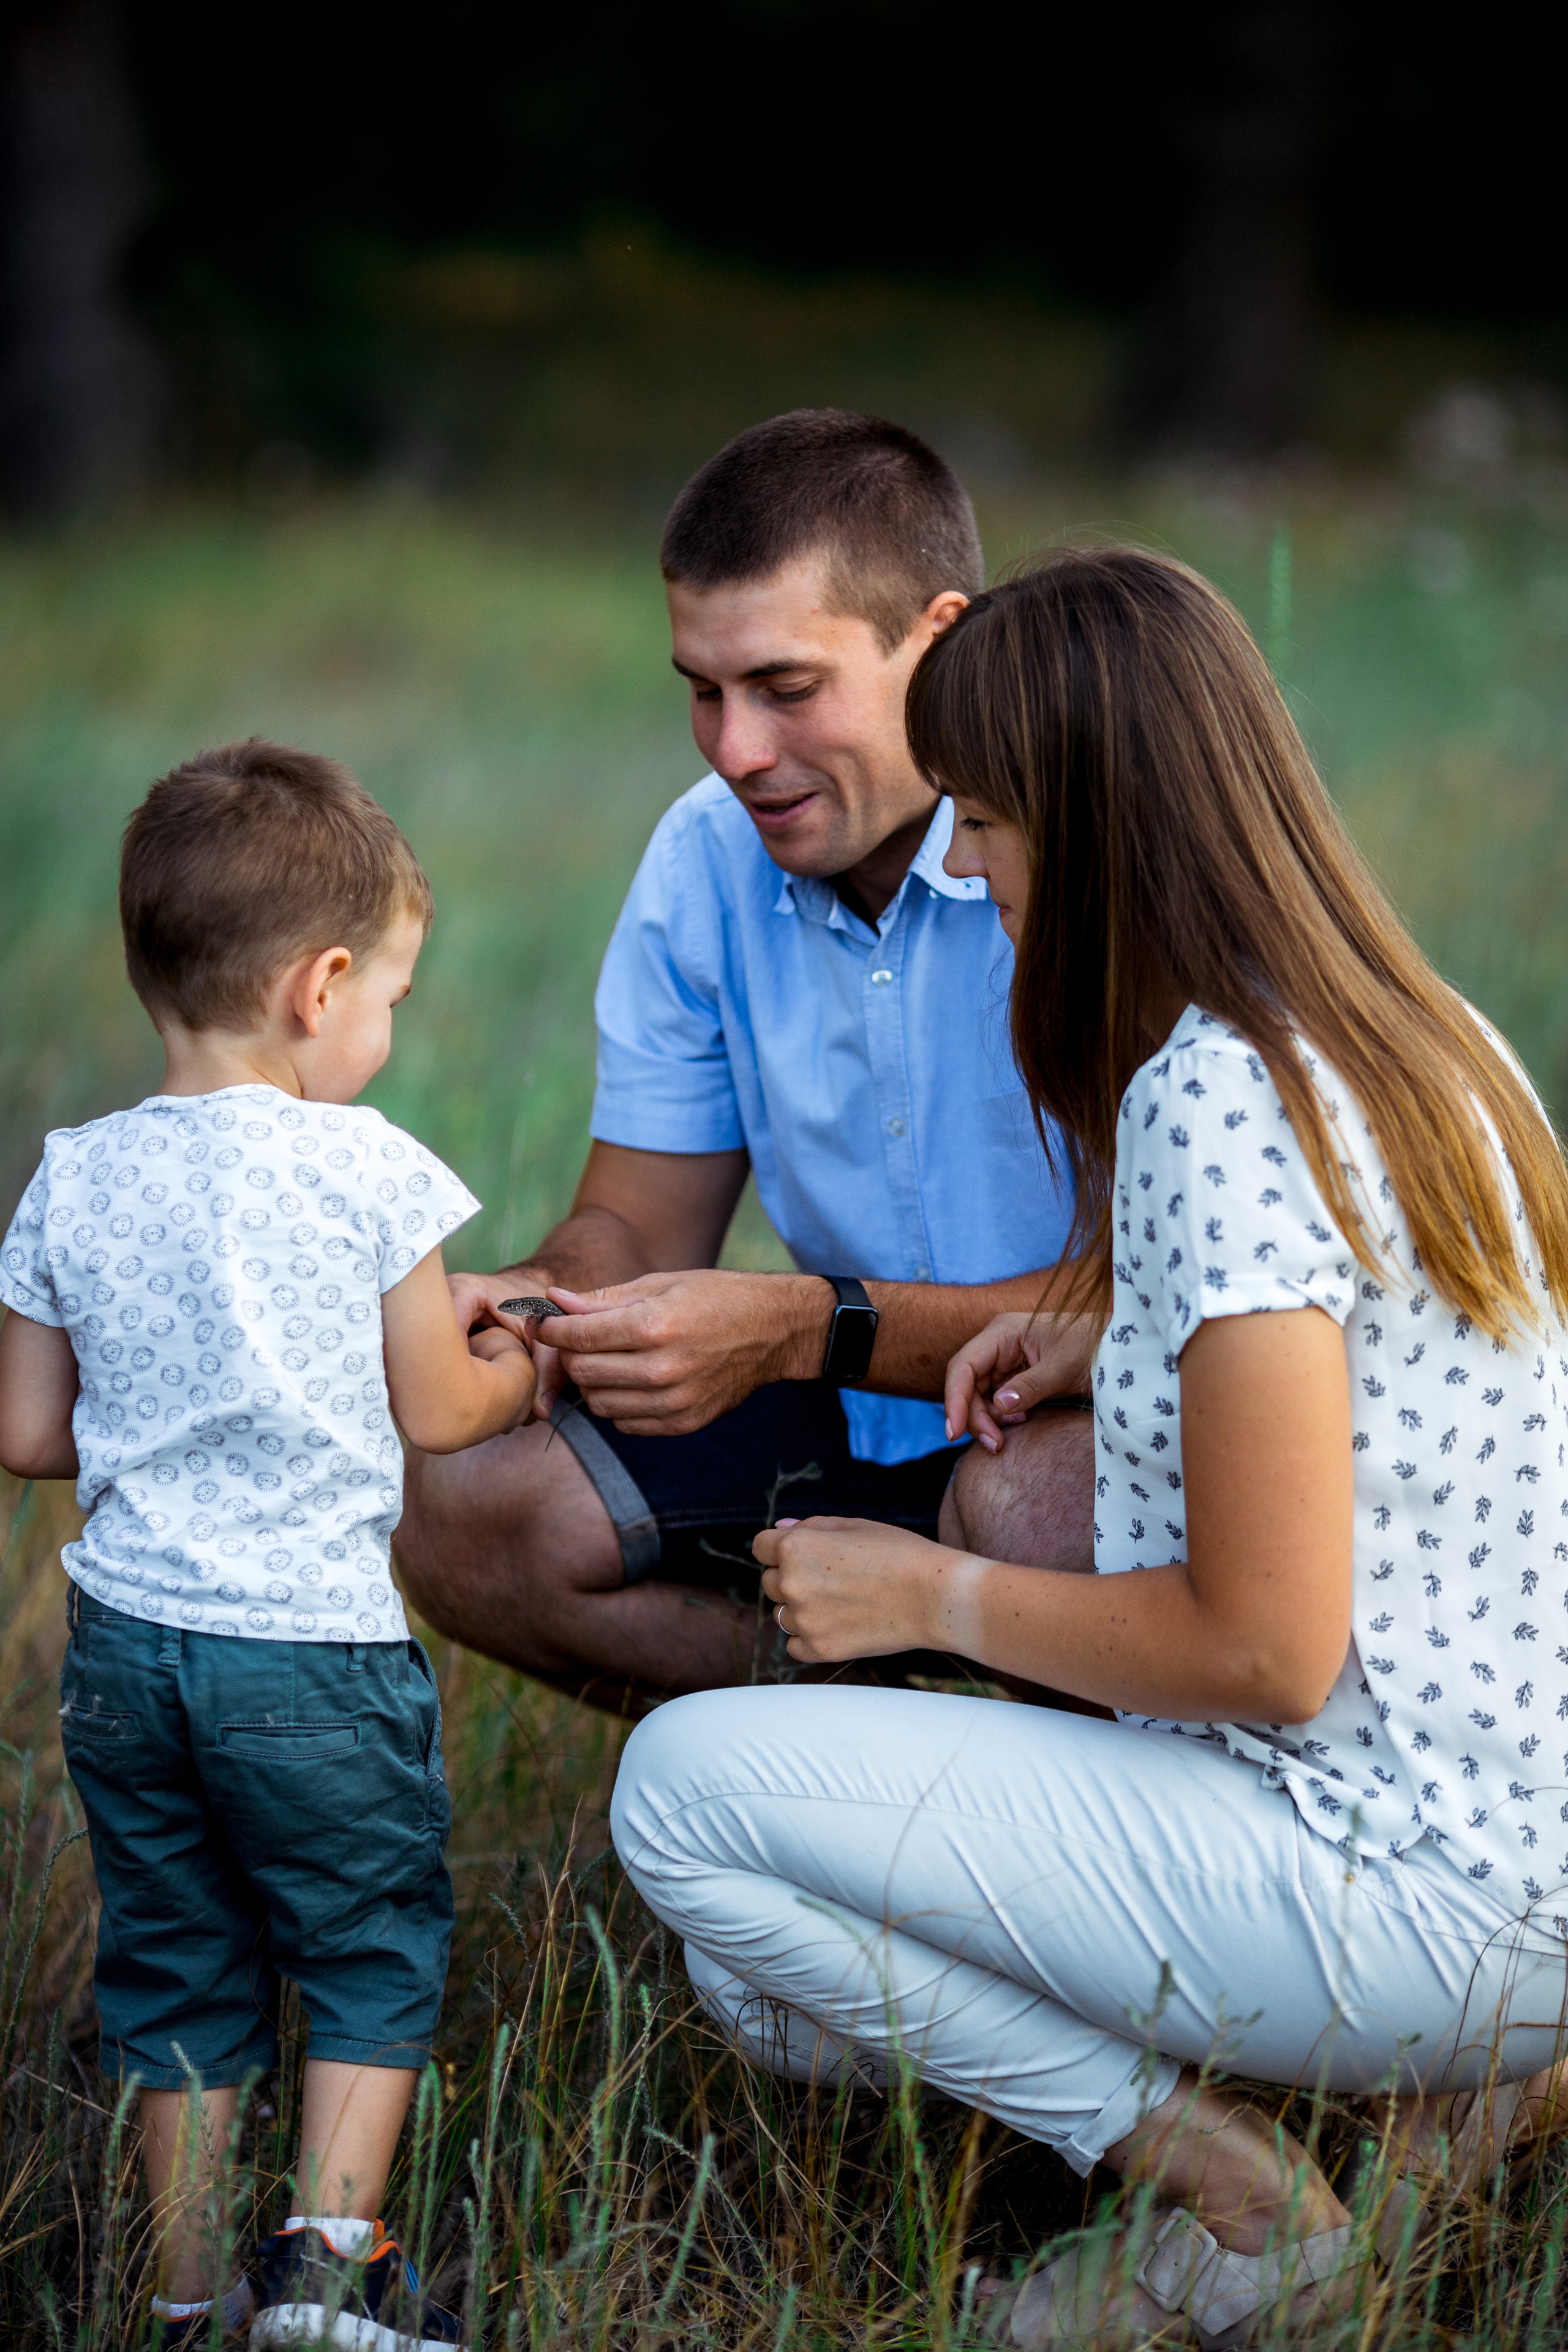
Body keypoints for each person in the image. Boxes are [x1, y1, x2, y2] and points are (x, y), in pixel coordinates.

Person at [610, 548, 1568, 2345]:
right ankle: (1460, 2100)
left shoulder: (1212, 1092)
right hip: (1523, 1846)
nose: (967, 864)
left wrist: (932, 1590)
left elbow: (1266, 1652)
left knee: (689, 1799)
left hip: (1392, 1872)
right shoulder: (1433, 1044)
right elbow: (1389, 1380)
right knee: (769, 1990)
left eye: (984, 817)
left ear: (1103, 826)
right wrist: (1111, 1340)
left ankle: (1246, 2207)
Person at [396, 409, 1090, 1712]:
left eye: (783, 688)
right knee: (470, 1502)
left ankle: (1051, 1774)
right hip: (844, 1414)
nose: (733, 752)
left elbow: (1163, 1309)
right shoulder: (702, 855)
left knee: (1032, 1502)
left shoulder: (1084, 846)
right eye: (700, 693)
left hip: (1084, 1422)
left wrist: (795, 1326)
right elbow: (634, 1217)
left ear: (937, 639)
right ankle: (867, 1760)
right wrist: (541, 1302)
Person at [0, 741, 537, 2350]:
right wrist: (527, 1358)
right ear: (318, 987)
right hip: (313, 1652)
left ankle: (179, 2299)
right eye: (390, 995)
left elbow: (29, 1433)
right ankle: (324, 2277)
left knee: (174, 1972)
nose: (387, 1028)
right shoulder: (368, 1168)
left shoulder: (74, 1174)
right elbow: (443, 1411)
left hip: (128, 1659)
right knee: (369, 1948)